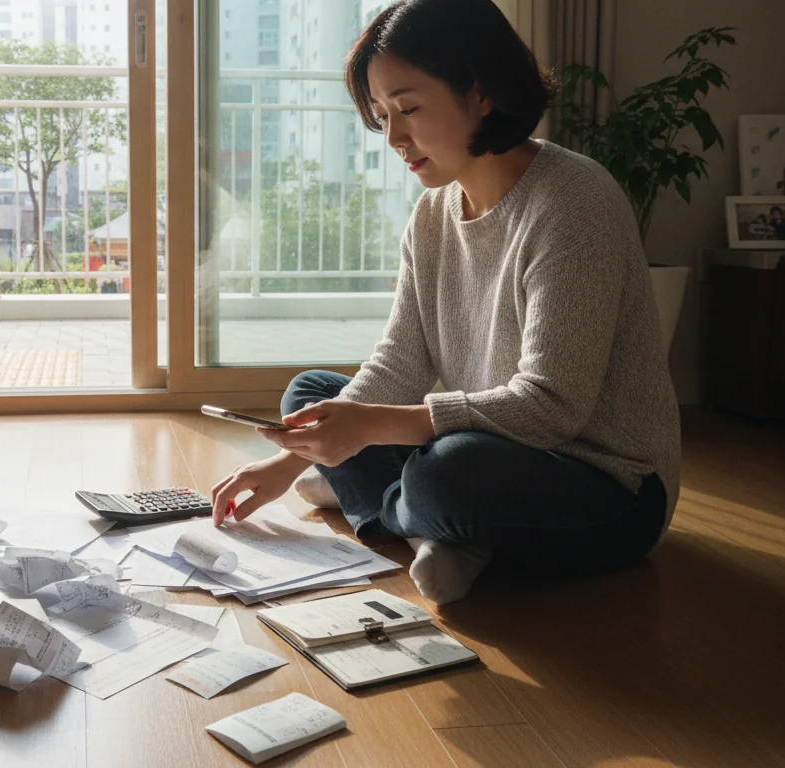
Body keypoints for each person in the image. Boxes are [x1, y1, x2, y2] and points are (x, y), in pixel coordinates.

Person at [209, 0, 680, 605]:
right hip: (488, 446)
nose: (393, 137)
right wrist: (290, 461)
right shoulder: (432, 214)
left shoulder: (574, 201)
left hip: (604, 487)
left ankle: (396, 506)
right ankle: (430, 529)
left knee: (445, 473)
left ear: (480, 92)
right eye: (381, 115)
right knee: (311, 397)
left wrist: (367, 433)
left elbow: (552, 407)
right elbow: (398, 363)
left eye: (407, 108)